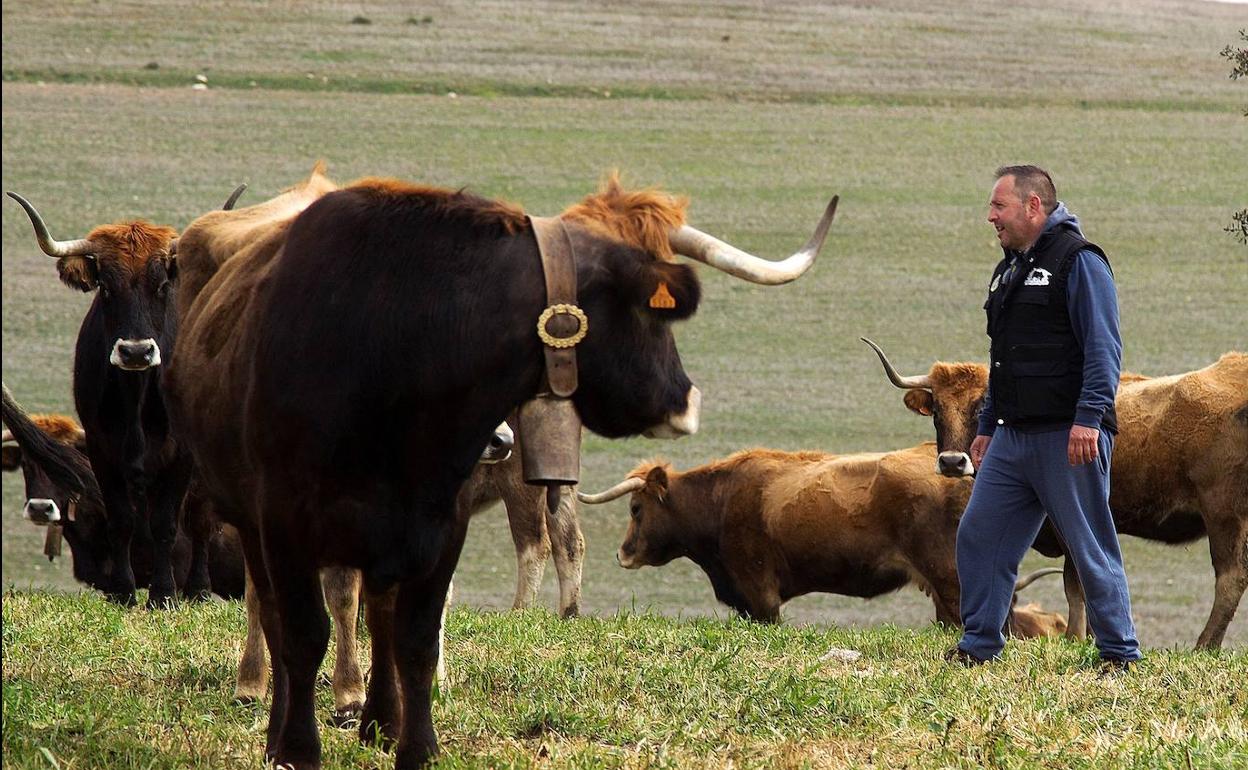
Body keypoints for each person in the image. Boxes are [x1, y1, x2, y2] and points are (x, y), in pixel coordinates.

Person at [947, 165, 1141, 672]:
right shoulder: (1008, 269)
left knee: (1088, 543)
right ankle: (980, 643)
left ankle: (1118, 653)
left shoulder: (1081, 262)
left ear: (1033, 206)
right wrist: (986, 427)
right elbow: (1001, 360)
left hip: (1067, 435)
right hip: (1011, 439)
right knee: (979, 535)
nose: (990, 217)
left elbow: (1104, 350)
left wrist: (1088, 418)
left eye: (999, 206)